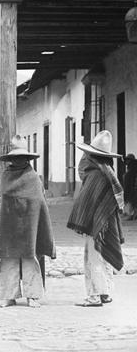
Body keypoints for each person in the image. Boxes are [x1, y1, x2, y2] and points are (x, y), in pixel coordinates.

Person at [0, 135, 56, 308]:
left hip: (30, 226)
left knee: (30, 259)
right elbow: (6, 197)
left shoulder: (33, 177)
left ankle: (33, 295)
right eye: (15, 157)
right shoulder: (6, 176)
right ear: (11, 159)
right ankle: (8, 295)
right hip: (10, 226)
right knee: (8, 259)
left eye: (22, 157)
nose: (18, 160)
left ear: (27, 159)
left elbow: (38, 202)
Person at [67, 130, 125, 307]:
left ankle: (94, 296)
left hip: (97, 224)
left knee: (93, 257)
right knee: (104, 256)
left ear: (92, 156)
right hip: (108, 223)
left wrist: (85, 221)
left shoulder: (95, 175)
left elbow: (87, 202)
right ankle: (106, 292)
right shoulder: (108, 171)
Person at [122, 154, 137, 221]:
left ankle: (132, 215)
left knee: (132, 201)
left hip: (132, 188)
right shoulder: (130, 169)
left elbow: (131, 181)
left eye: (128, 160)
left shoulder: (132, 170)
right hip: (132, 188)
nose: (127, 161)